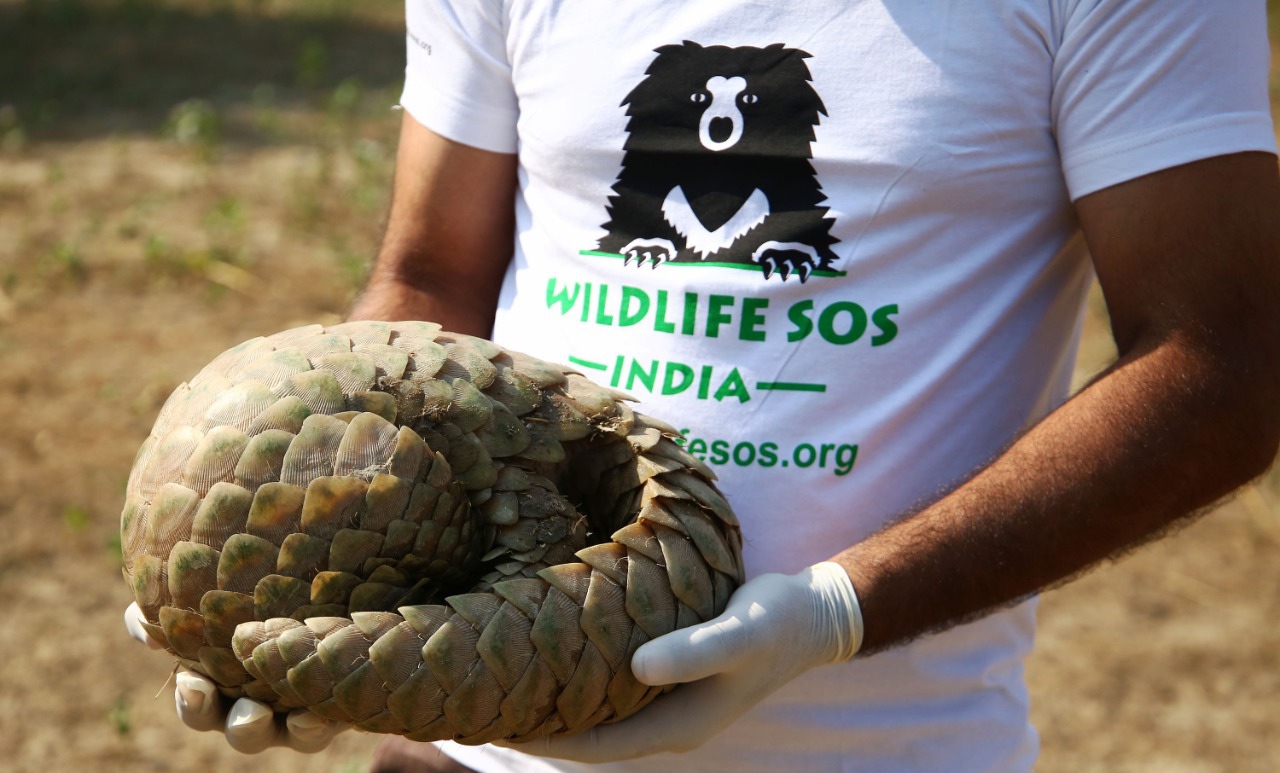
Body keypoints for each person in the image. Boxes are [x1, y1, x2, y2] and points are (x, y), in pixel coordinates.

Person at [127, 1, 1280, 770]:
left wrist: (836, 610)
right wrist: (304, 561)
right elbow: (431, 274)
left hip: (882, 750)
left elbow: (1224, 358)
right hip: (478, 741)